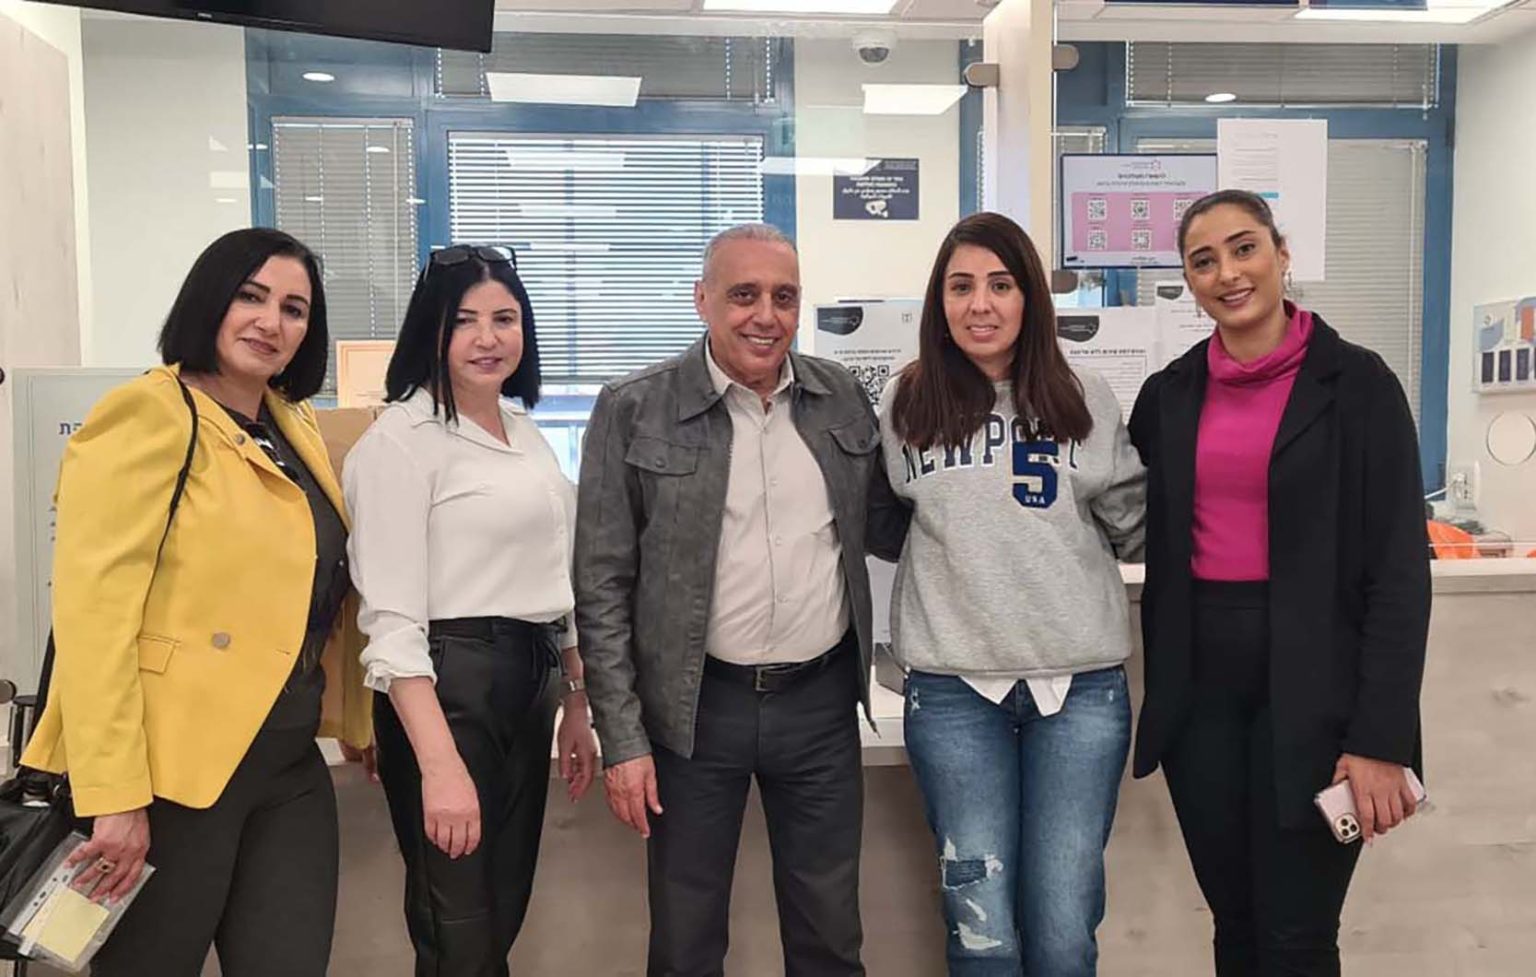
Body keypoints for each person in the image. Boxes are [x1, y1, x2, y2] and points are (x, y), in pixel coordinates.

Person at [20, 227, 372, 976]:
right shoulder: (147, 414)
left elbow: (319, 589)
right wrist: (116, 796)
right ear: (209, 299)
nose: (271, 322)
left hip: (287, 759)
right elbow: (94, 621)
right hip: (168, 774)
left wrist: (355, 715)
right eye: (251, 296)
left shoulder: (293, 424)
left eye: (294, 309)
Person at [1127, 190, 1431, 977]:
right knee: (1236, 926)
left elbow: (1400, 573)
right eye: (1204, 261)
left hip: (1320, 697)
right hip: (1201, 696)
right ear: (1188, 281)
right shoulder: (1169, 395)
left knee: (1297, 935)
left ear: (1281, 253)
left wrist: (1379, 739)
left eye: (1244, 247)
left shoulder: (1359, 385)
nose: (1228, 273)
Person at [575, 223, 889, 977]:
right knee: (686, 942)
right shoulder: (634, 407)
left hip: (818, 707)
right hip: (693, 711)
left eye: (784, 297)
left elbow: (892, 521)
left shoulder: (841, 398)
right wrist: (624, 738)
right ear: (702, 299)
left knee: (830, 937)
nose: (766, 316)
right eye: (744, 295)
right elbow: (601, 585)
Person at [871, 211, 1144, 976]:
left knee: (1063, 930)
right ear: (939, 301)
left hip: (1079, 692)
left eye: (1000, 284)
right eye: (961, 286)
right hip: (953, 693)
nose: (980, 304)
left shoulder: (1085, 395)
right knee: (980, 930)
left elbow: (1134, 523)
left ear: (1030, 298)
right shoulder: (904, 402)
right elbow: (885, 523)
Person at [344, 244, 598, 977]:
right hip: (449, 688)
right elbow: (392, 623)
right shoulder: (399, 441)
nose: (488, 338)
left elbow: (555, 576)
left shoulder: (525, 433)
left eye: (505, 319)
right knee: (456, 925)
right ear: (430, 329)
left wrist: (575, 700)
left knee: (499, 914)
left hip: (530, 681)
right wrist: (439, 765)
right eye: (464, 321)